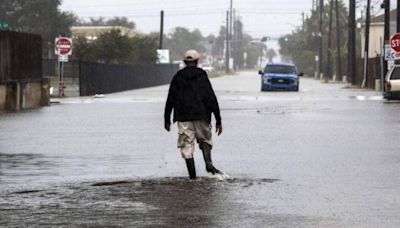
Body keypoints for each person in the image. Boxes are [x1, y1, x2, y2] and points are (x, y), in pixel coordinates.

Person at [164, 49, 223, 179]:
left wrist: (166, 119)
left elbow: (170, 98)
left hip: (183, 117)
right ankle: (208, 163)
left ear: (185, 62)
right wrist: (218, 120)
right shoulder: (202, 75)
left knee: (186, 145)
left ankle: (192, 178)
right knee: (205, 140)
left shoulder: (178, 77)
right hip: (202, 115)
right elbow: (211, 98)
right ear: (197, 62)